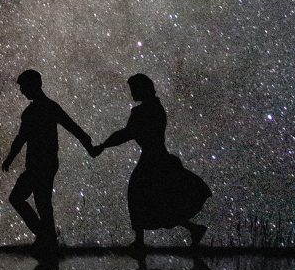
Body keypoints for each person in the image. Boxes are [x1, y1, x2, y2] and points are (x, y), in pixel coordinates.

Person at [89, 73, 211, 248]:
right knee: (158, 199)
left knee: (140, 194)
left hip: (152, 159)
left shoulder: (143, 111)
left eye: (133, 89)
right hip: (159, 157)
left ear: (142, 89)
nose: (131, 94)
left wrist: (102, 146)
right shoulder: (156, 107)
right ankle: (192, 229)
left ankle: (141, 241)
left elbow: (126, 133)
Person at [0, 69, 94, 246]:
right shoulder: (49, 107)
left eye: (23, 87)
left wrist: (10, 158)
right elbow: (73, 128)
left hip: (40, 164)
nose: (21, 91)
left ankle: (45, 236)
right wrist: (88, 145)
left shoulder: (34, 111)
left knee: (25, 199)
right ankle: (47, 237)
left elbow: (21, 138)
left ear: (32, 85)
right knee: (42, 203)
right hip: (46, 163)